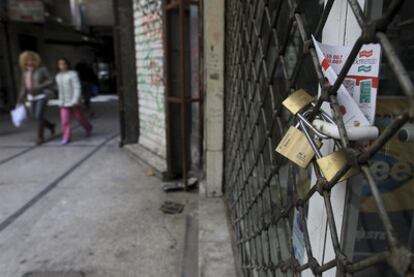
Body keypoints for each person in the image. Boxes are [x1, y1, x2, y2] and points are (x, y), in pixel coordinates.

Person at [18, 51, 55, 145]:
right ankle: (50, 125)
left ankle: (40, 137)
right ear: (24, 61)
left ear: (36, 60)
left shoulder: (42, 69)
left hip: (41, 95)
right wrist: (19, 100)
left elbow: (50, 80)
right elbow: (23, 87)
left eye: (32, 60)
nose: (30, 62)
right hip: (31, 97)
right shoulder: (25, 72)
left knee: (39, 115)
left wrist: (39, 86)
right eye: (28, 60)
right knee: (35, 116)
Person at [55, 58, 92, 145]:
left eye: (64, 64)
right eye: (60, 64)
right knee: (65, 120)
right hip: (63, 103)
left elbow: (77, 87)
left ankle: (88, 127)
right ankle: (66, 136)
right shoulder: (58, 76)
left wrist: (75, 99)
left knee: (80, 118)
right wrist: (59, 101)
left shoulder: (73, 74)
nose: (62, 66)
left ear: (67, 65)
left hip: (73, 101)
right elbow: (59, 90)